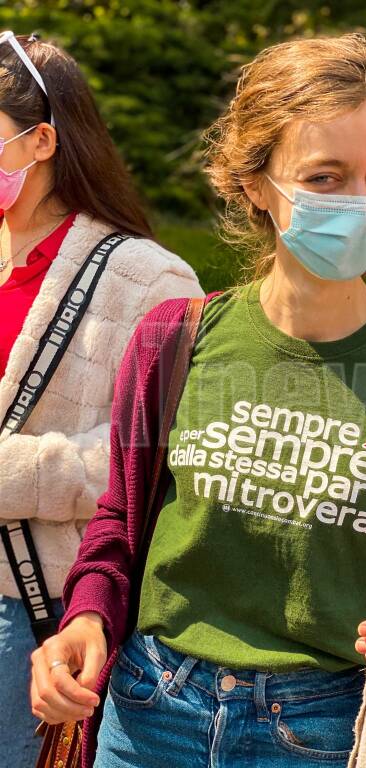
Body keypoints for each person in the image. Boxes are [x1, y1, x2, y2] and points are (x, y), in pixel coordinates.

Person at [30, 34, 366, 768]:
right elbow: (119, 529)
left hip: (329, 729)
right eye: (325, 175)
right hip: (150, 710)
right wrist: (86, 617)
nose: (362, 201)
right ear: (255, 182)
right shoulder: (172, 341)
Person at [0, 32, 203, 767]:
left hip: (36, 604)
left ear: (40, 140)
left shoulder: (149, 280)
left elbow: (158, 460)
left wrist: (12, 472)